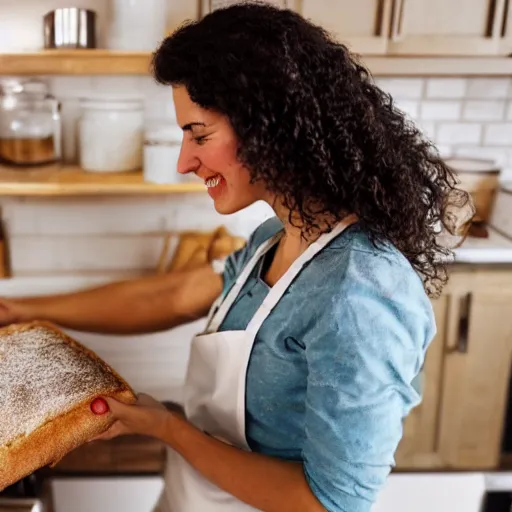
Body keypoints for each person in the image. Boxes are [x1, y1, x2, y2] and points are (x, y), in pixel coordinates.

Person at [1, 3, 473, 511]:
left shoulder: (361, 293)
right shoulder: (277, 237)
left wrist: (168, 427)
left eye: (200, 135)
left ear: (273, 126)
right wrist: (22, 311)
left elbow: (330, 503)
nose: (185, 161)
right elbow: (176, 294)